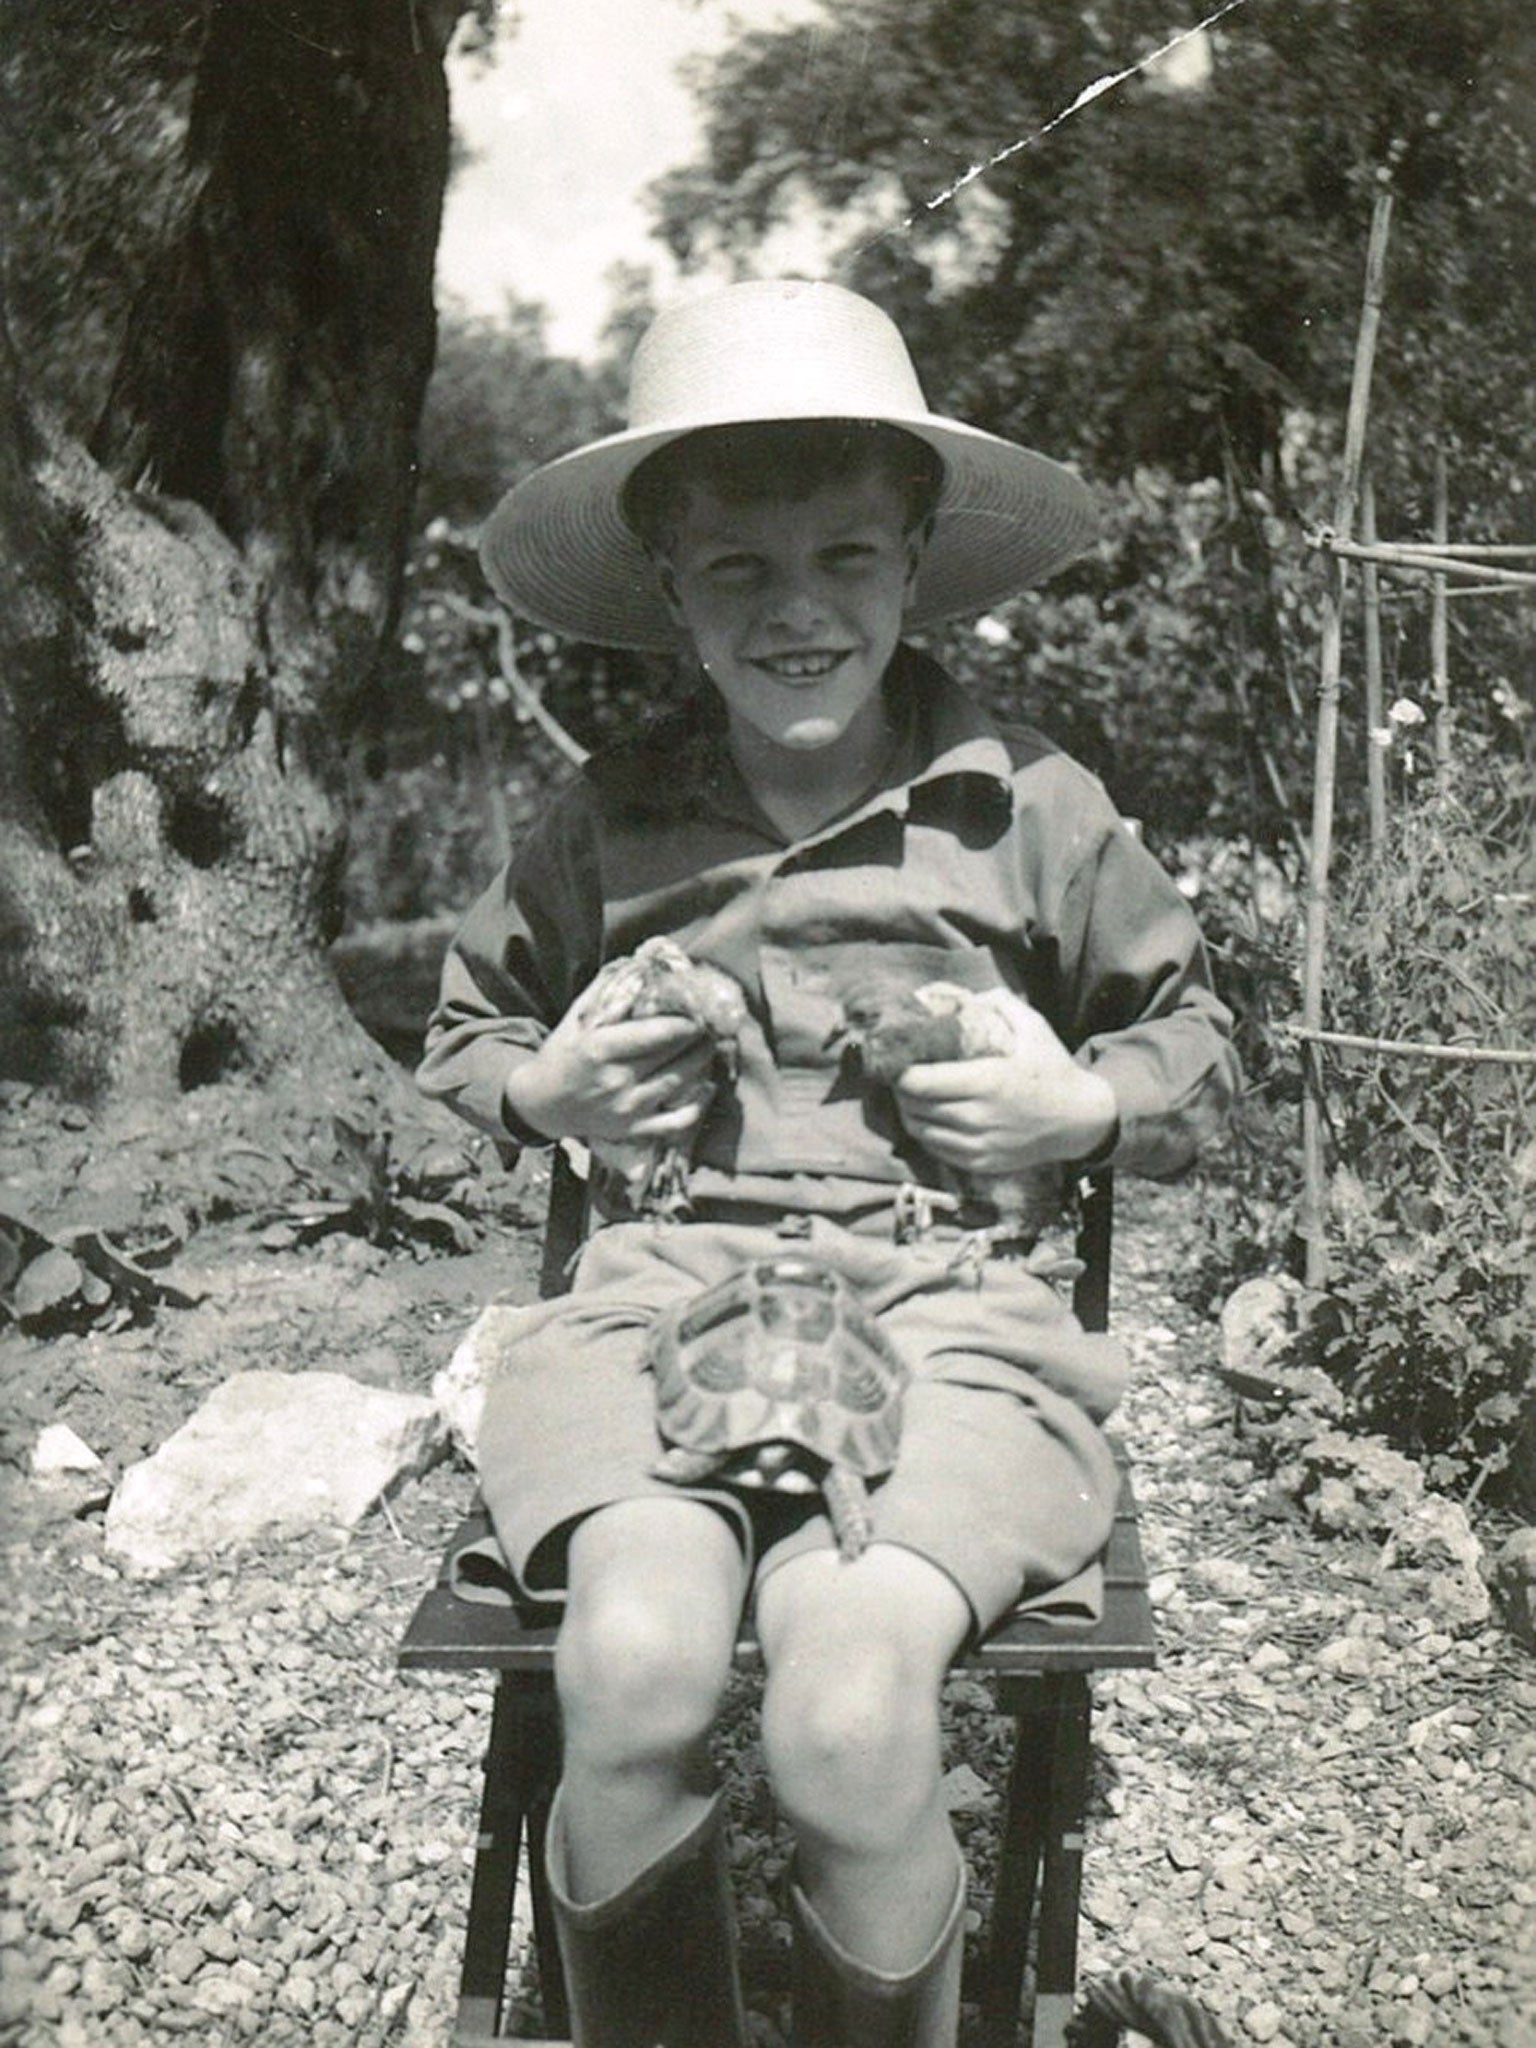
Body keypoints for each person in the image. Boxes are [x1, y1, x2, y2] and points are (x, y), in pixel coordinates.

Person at [418, 278, 1238, 2048]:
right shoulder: (608, 823)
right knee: (629, 1673)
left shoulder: (1028, 807)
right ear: (669, 592)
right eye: (739, 571)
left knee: (851, 1711)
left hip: (960, 1315)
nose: (800, 610)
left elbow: (1206, 1064)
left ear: (918, 557)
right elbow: (466, 1043)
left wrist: (1074, 1113)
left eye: (849, 556)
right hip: (657, 1298)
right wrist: (551, 1092)